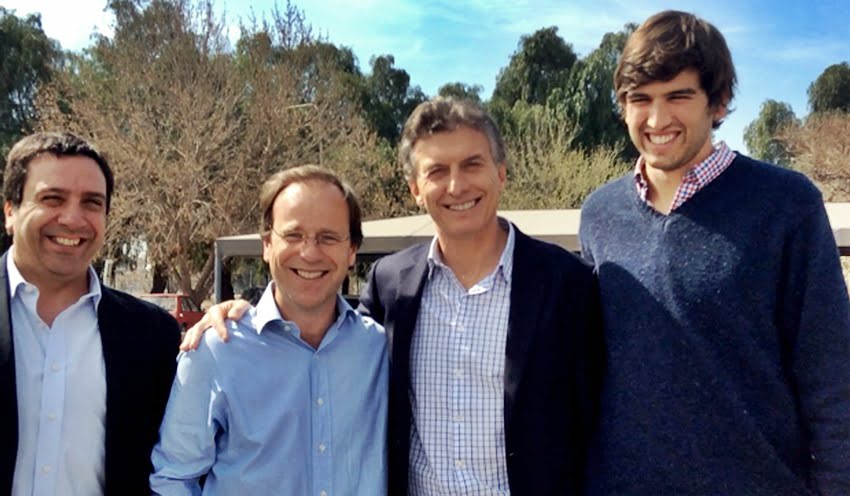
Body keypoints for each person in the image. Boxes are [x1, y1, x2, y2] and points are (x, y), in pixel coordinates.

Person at [185, 98, 604, 494]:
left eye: (472, 164)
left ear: (501, 173)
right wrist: (238, 309)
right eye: (436, 171)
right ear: (415, 189)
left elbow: (600, 422)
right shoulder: (392, 284)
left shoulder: (568, 285)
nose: (456, 185)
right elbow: (319, 319)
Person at [579, 10, 850, 495]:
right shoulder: (600, 214)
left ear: (719, 102)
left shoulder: (786, 204)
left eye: (678, 96)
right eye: (640, 100)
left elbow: (831, 376)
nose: (657, 119)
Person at [150, 166, 388, 495]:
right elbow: (174, 477)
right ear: (266, 245)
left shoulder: (378, 350)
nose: (309, 252)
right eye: (293, 235)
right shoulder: (217, 349)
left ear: (351, 252)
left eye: (328, 237)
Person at [0, 132, 180, 495]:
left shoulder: (153, 335)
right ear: (10, 211)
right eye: (52, 198)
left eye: (92, 203)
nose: (72, 218)